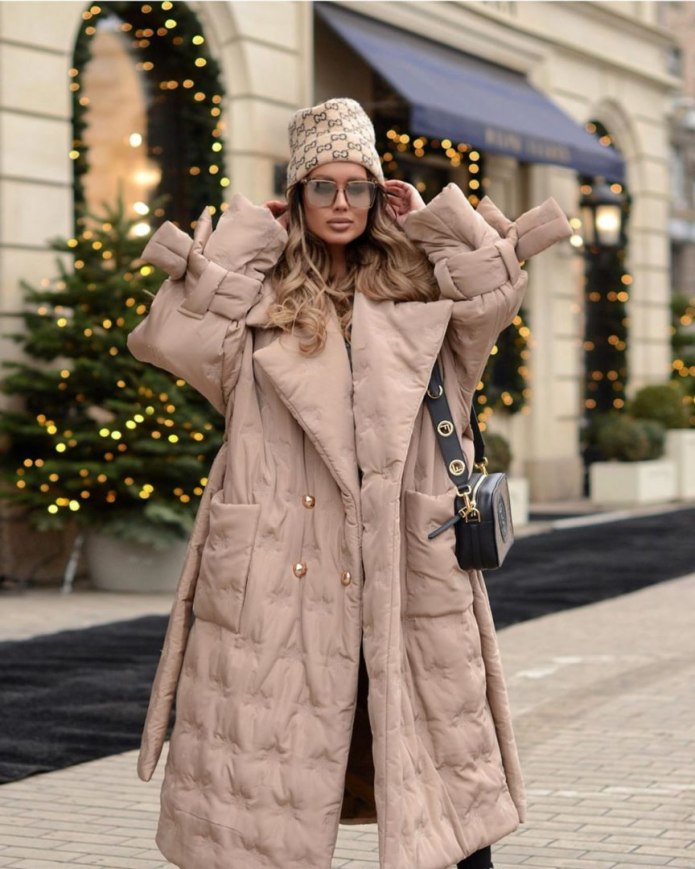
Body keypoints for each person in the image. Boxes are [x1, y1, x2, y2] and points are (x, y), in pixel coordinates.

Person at [128, 97, 571, 869]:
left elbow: (493, 295)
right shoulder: (259, 307)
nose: (341, 203)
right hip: (279, 566)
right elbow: (170, 336)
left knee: (444, 777)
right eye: (322, 186)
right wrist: (249, 240)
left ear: (376, 193)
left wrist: (431, 222)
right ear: (296, 196)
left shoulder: (423, 296)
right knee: (264, 787)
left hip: (406, 559)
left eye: (357, 185)